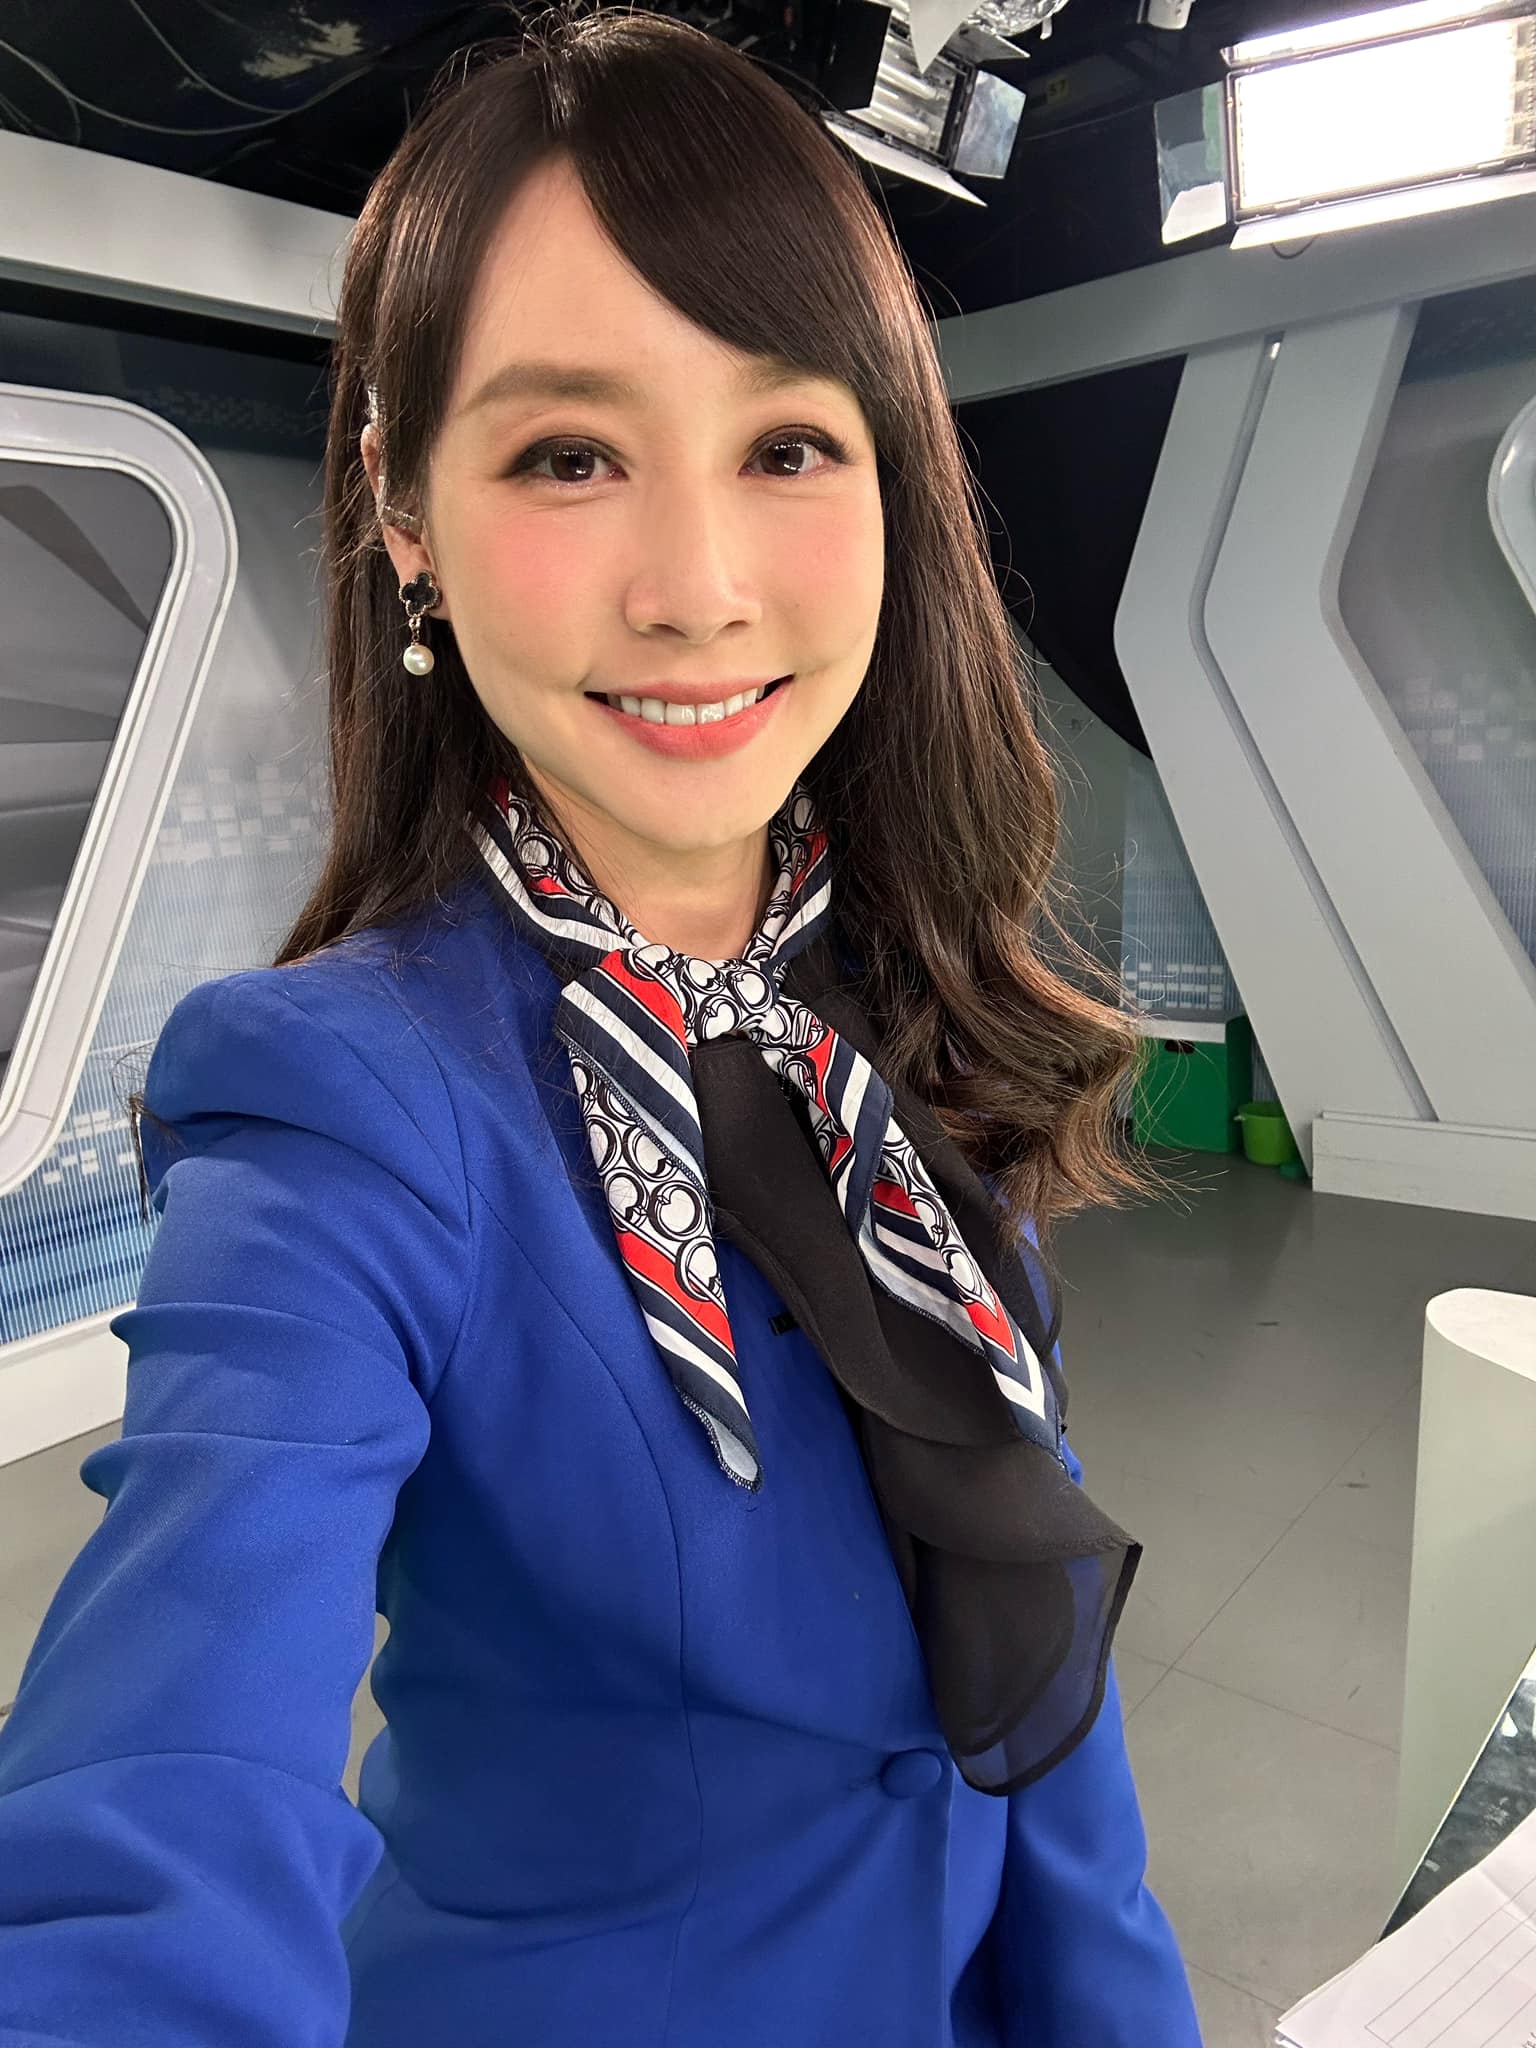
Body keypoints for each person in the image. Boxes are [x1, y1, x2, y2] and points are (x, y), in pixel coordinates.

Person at [0, 6, 1202, 2043]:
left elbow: (1028, 1657)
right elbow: (167, 1766)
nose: (697, 587)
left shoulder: (897, 1010)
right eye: (568, 455)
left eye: (787, 446)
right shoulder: (341, 1103)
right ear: (405, 515)